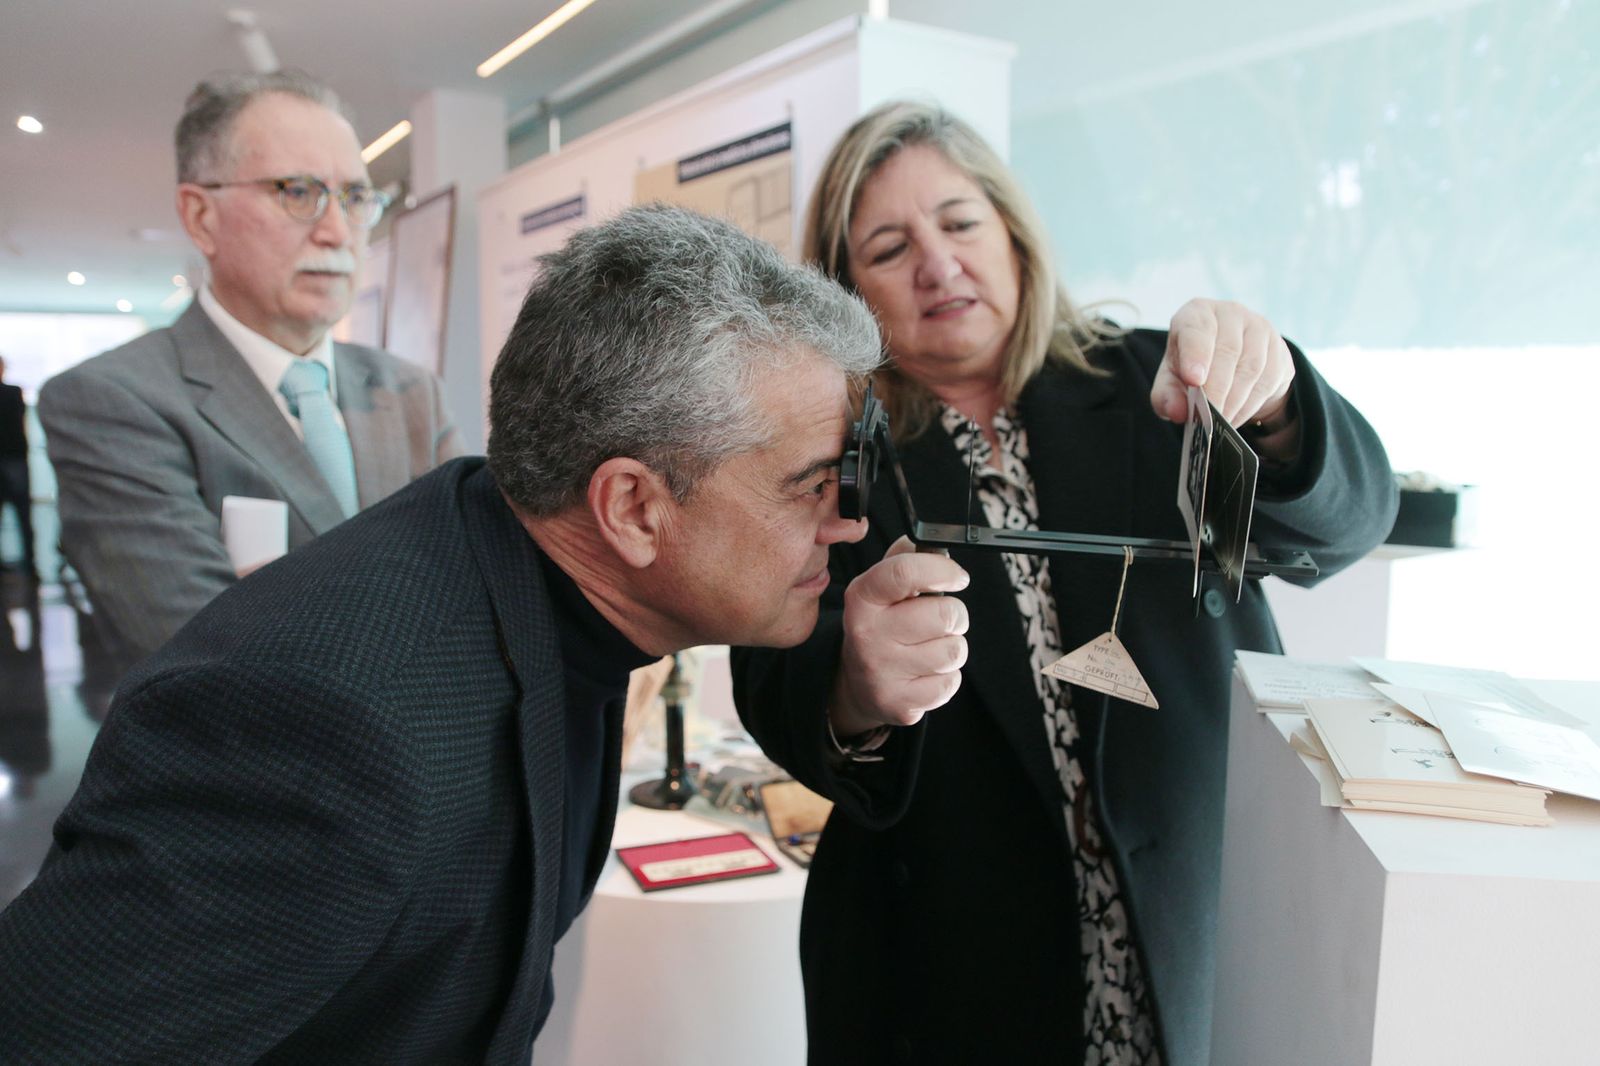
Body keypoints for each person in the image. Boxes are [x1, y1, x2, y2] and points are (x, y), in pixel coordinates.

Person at [0, 204, 880, 1062]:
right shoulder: (327, 725)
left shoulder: (528, 582)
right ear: (634, 508)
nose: (844, 523)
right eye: (808, 485)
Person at [732, 101, 1398, 1066]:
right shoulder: (826, 456)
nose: (937, 261)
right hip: (947, 976)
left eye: (959, 222)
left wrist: (1283, 401)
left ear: (1011, 230)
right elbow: (770, 679)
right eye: (888, 246)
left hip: (1190, 932)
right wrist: (851, 686)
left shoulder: (1155, 385)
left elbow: (1345, 525)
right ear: (846, 289)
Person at [38, 71, 461, 663]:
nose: (338, 231)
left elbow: (493, 601)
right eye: (296, 191)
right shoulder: (112, 401)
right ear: (200, 216)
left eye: (356, 197)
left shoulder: (411, 392)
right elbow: (209, 658)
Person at [0, 355, 36, 580]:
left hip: (13, 458)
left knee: (23, 514)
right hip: (14, 458)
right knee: (23, 514)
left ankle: (29, 560)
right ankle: (29, 561)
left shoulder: (13, 392)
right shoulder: (13, 393)